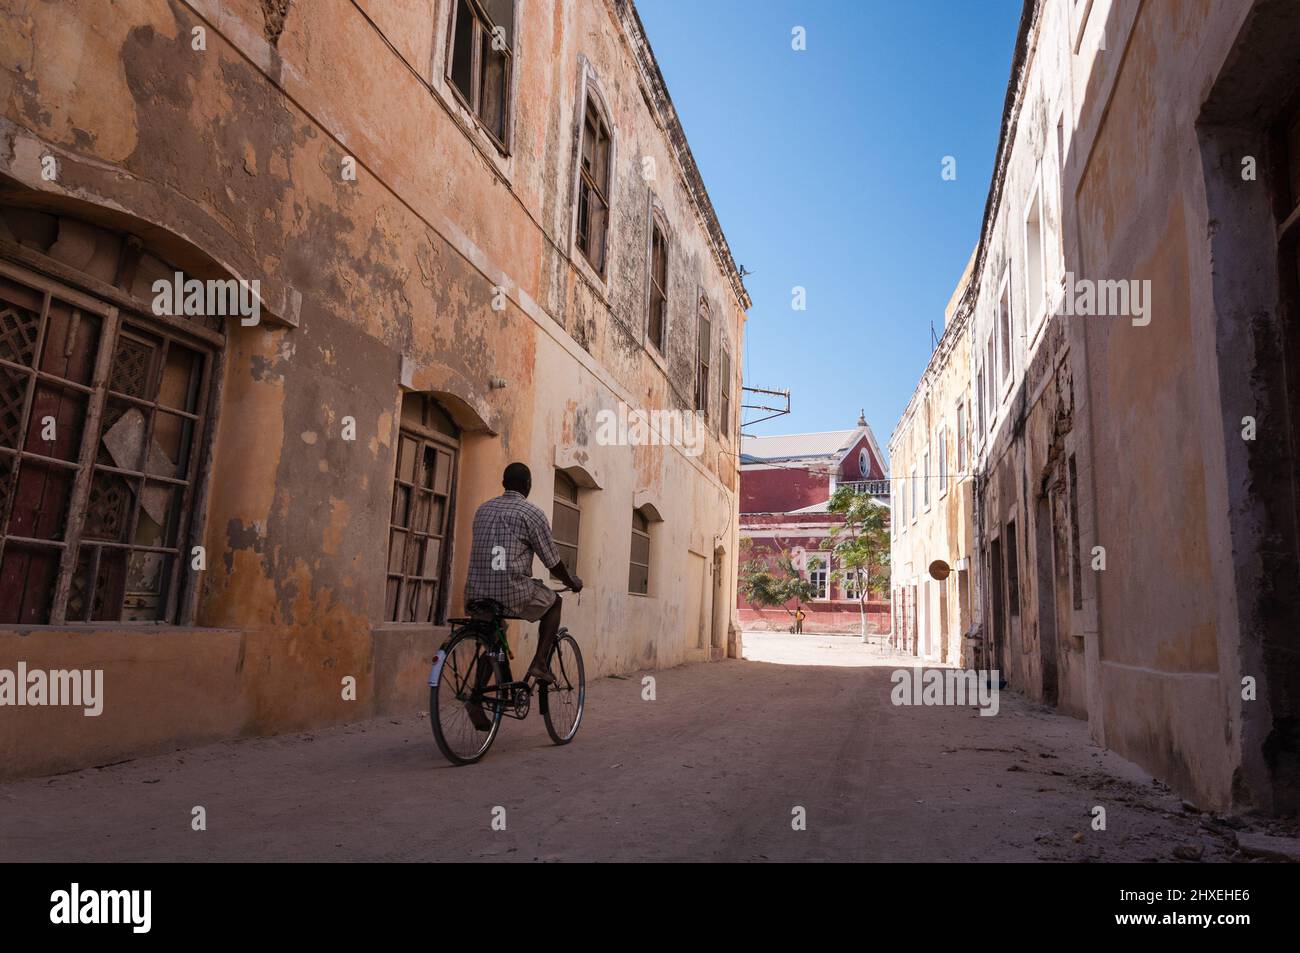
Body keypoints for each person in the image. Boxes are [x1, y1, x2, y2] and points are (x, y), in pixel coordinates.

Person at [465, 462, 583, 686]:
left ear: (503, 483)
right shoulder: (531, 513)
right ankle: (539, 662)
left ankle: (476, 697)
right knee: (554, 603)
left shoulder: (483, 510)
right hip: (511, 591)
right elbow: (552, 562)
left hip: (476, 592)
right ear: (528, 486)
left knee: (495, 642)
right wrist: (572, 581)